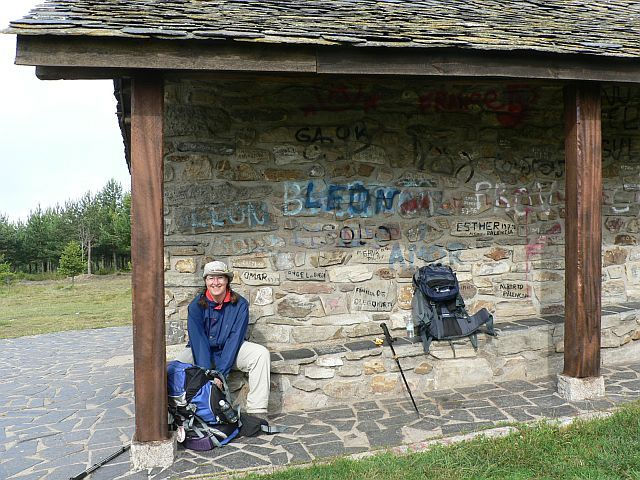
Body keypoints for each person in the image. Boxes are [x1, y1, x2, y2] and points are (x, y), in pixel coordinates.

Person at [176, 260, 270, 417]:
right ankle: (179, 411)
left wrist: (220, 373)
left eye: (220, 277)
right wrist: (208, 374)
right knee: (175, 367)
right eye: (211, 278)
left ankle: (257, 412)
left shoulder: (240, 305)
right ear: (205, 281)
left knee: (260, 354)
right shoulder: (195, 306)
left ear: (227, 280)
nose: (215, 282)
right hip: (200, 353)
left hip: (229, 351)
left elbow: (235, 339)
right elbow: (199, 342)